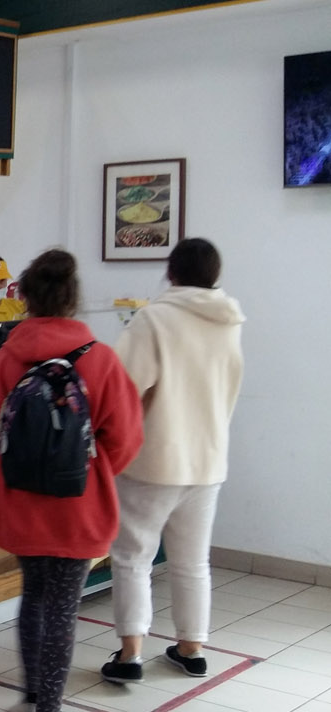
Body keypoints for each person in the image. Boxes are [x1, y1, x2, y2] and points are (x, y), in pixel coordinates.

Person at [0, 249, 142, 712]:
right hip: (79, 503)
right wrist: (92, 470)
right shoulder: (101, 358)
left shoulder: (7, 356)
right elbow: (126, 437)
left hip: (20, 501)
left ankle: (31, 698)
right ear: (73, 299)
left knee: (33, 595)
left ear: (26, 297)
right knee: (63, 607)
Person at [100, 239, 244, 683]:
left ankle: (130, 655)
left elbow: (123, 386)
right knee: (192, 561)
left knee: (132, 557)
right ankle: (191, 649)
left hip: (154, 459)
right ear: (215, 275)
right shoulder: (229, 321)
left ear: (171, 272)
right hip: (208, 458)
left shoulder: (154, 319)